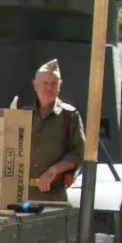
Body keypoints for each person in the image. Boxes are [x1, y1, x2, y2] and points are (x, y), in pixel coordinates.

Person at [26, 59, 84, 202]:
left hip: (53, 194)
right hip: (22, 194)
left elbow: (79, 153)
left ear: (60, 86)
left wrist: (53, 171)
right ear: (35, 85)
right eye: (44, 83)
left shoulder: (69, 116)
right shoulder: (23, 114)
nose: (49, 88)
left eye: (53, 84)